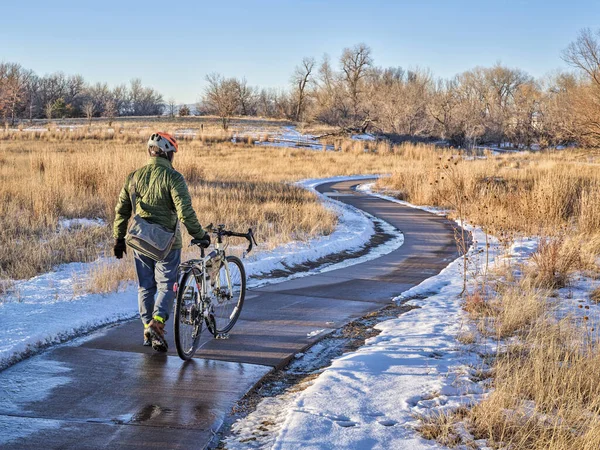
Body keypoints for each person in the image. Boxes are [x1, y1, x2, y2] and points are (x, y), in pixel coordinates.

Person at [113, 132, 209, 352]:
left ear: (150, 151)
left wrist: (119, 238)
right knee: (167, 285)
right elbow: (185, 212)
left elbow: (122, 210)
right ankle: (157, 321)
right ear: (167, 154)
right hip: (167, 244)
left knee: (145, 287)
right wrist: (199, 234)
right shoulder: (174, 178)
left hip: (140, 241)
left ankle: (147, 327)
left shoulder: (133, 177)